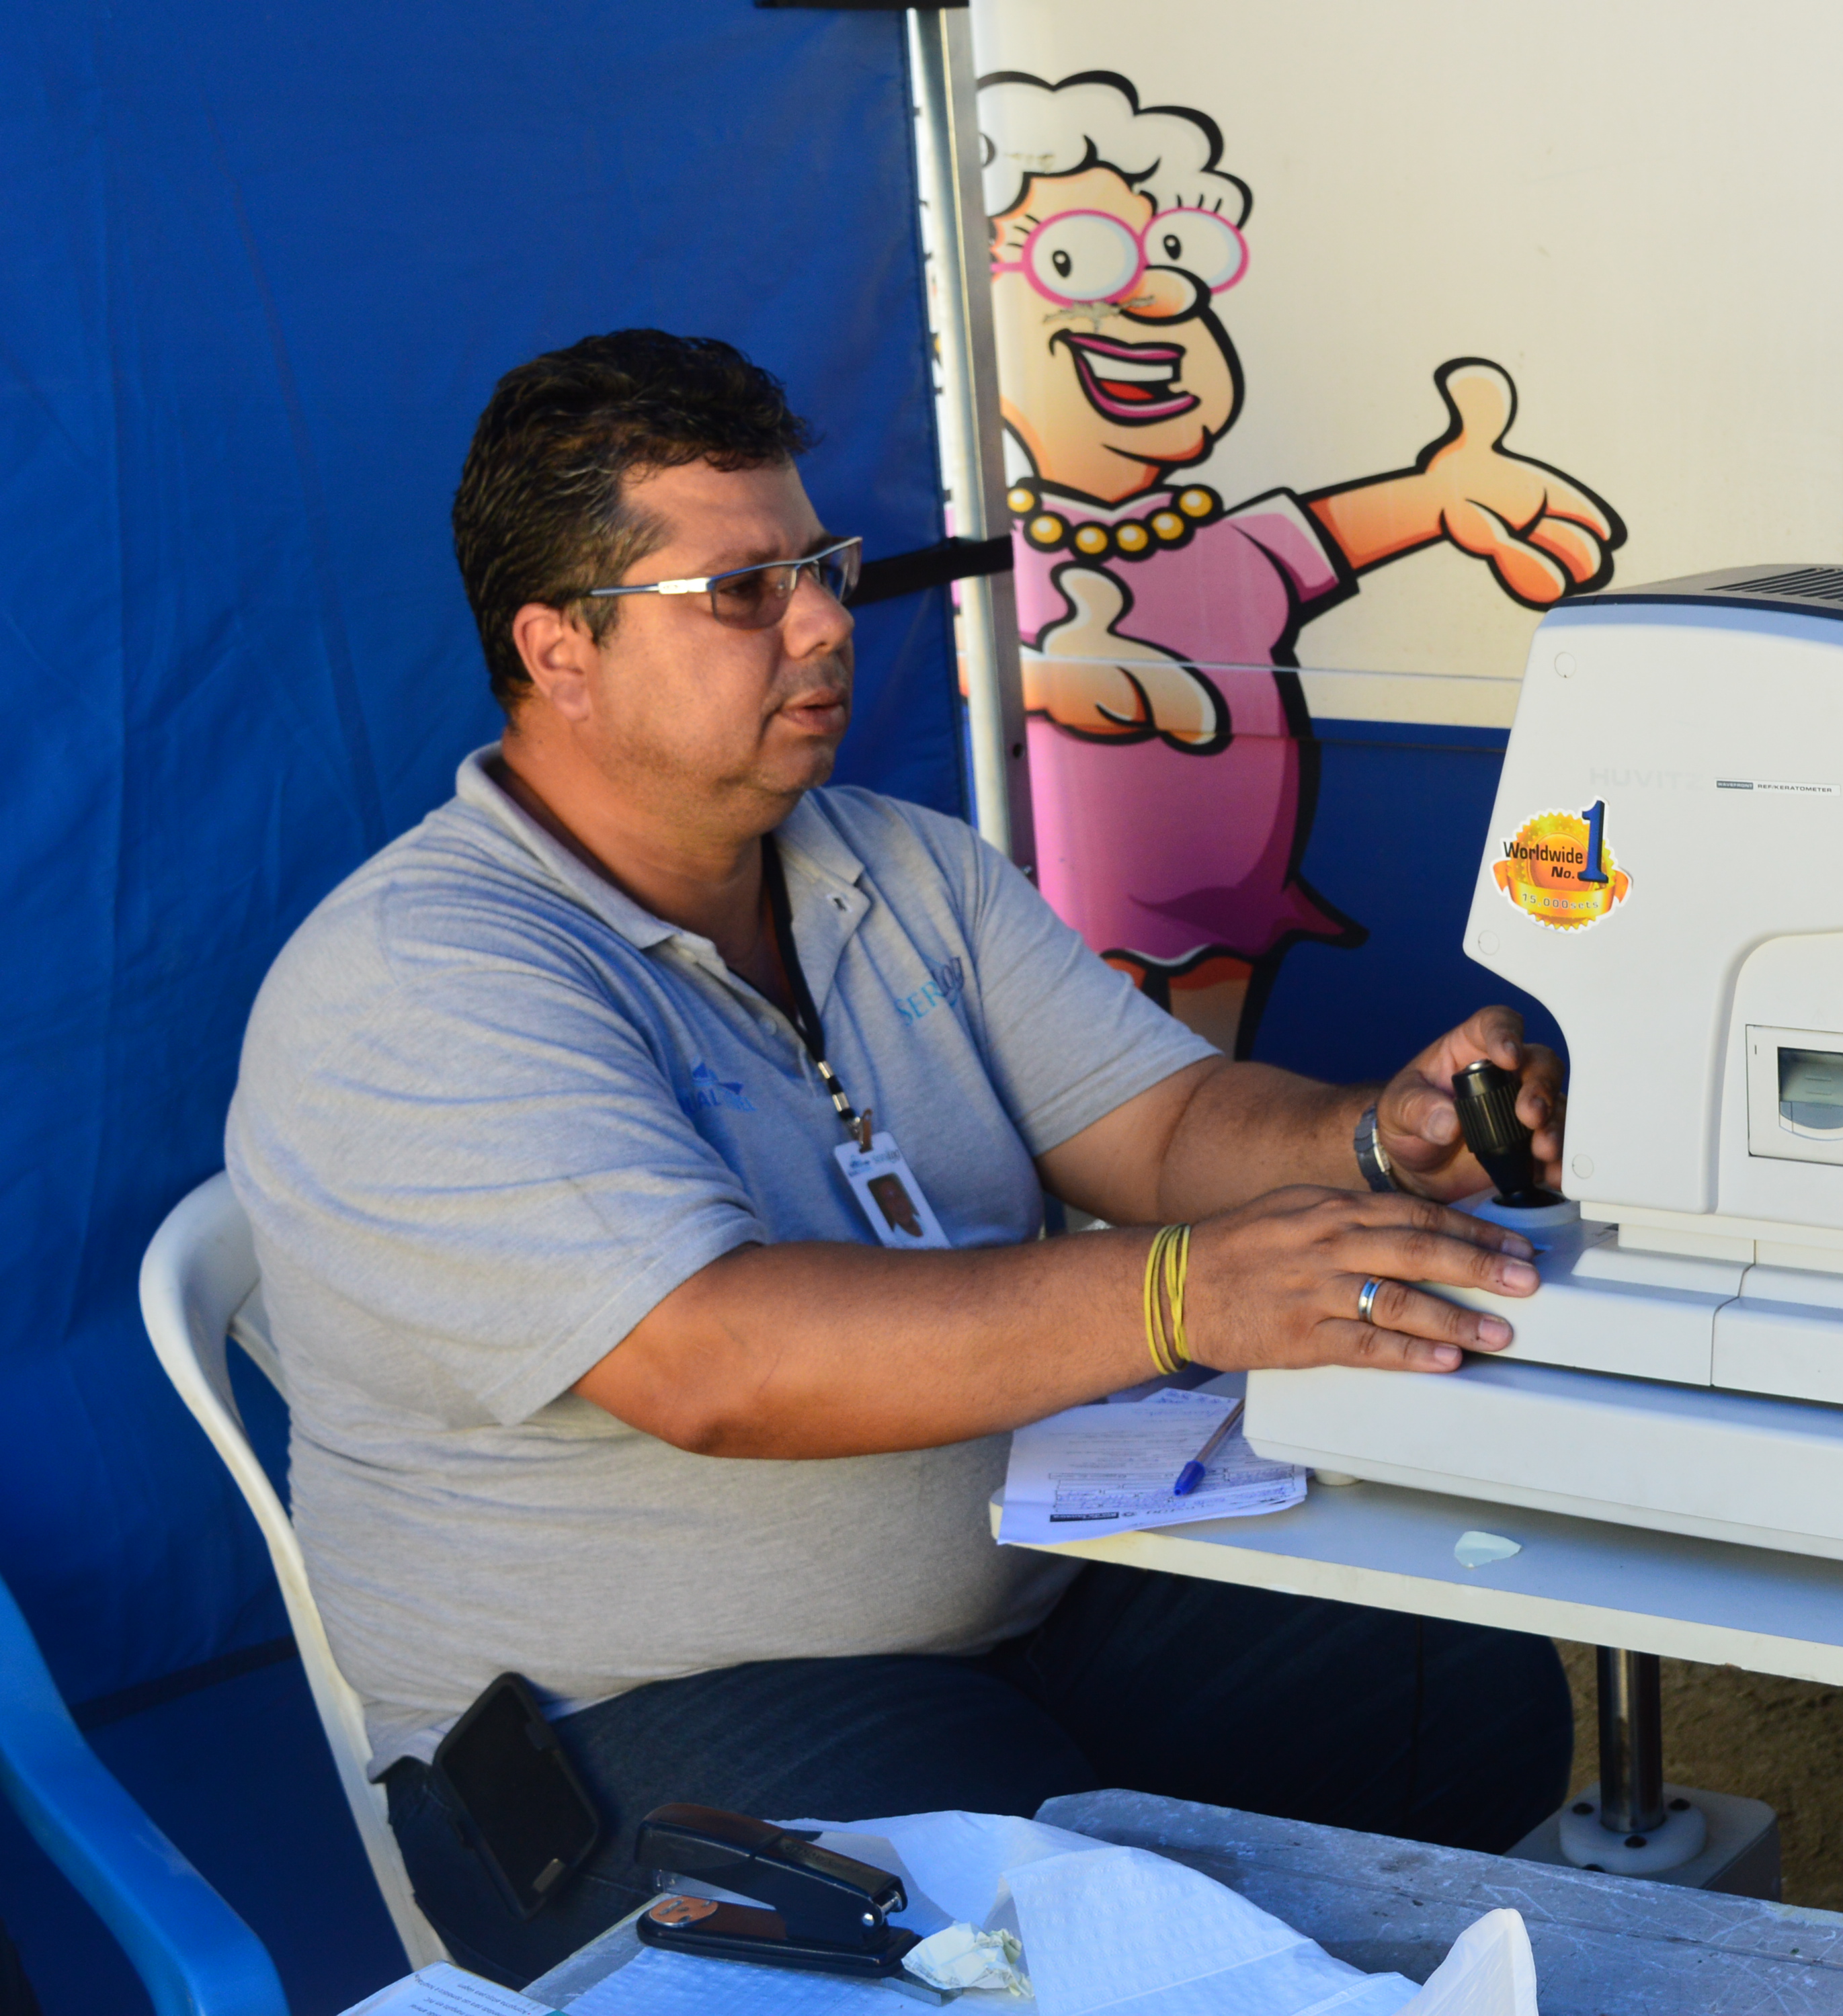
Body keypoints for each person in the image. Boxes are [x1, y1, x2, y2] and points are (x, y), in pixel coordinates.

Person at [224, 330, 1574, 1984]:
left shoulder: (899, 866)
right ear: (557, 648)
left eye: (824, 570)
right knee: (1014, 1932)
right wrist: (1179, 1295)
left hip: (1029, 1606)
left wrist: (1374, 1139)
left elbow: (1160, 1127)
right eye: (743, 592)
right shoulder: (420, 977)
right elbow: (716, 1363)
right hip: (625, 1731)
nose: (819, 625)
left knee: (1457, 1689)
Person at [976, 69, 1625, 1054]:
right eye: (1080, 260)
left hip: (1230, 902)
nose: (1158, 299)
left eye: (1181, 263)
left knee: (1220, 1076)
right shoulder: (998, 560)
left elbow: (1327, 533)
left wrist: (1438, 493)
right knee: (1098, 1071)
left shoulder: (1218, 545)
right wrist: (1068, 680)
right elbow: (975, 681)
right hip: (1095, 905)